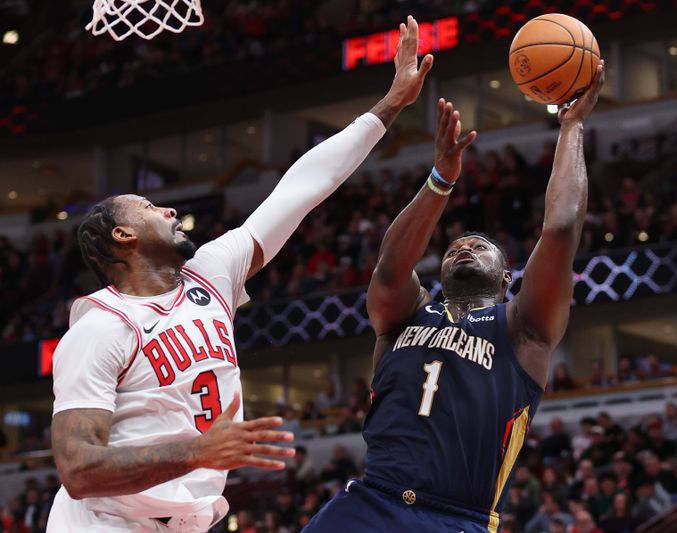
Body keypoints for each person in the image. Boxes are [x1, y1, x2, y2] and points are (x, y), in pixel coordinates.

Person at [46, 15, 432, 532]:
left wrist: (389, 106)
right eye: (147, 207)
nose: (167, 212)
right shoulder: (99, 328)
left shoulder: (211, 273)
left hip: (191, 522)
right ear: (123, 236)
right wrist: (198, 450)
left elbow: (301, 189)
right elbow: (78, 470)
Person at [304, 55, 606, 532]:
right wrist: (440, 179)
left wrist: (572, 126)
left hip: (452, 518)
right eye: (455, 247)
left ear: (508, 278)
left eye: (481, 246)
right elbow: (389, 269)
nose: (464, 246)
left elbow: (563, 227)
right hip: (368, 503)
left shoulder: (521, 327)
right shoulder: (406, 314)